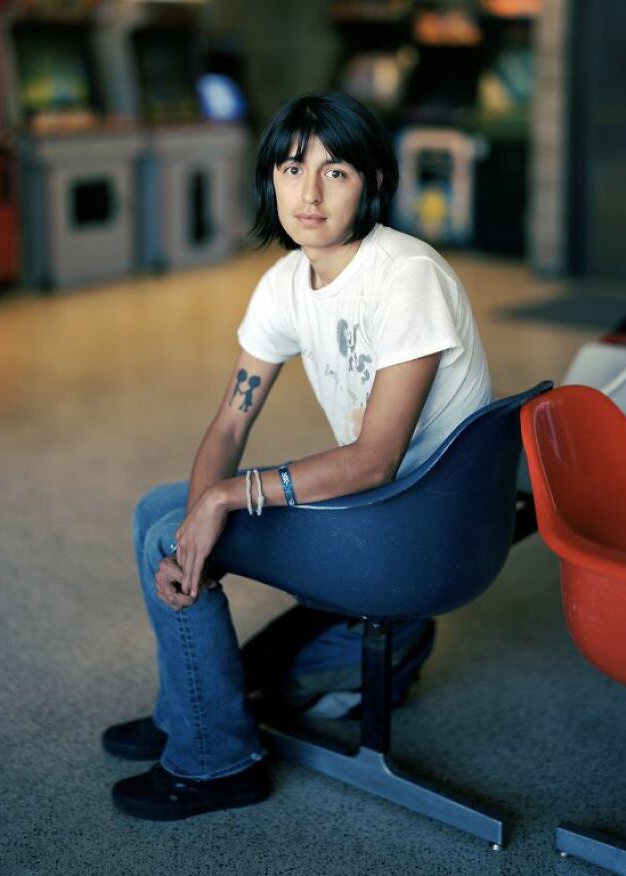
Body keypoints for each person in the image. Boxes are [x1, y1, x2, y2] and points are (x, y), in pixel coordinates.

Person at [105, 91, 492, 821]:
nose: (308, 192)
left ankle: (216, 760)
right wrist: (200, 511)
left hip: (421, 528)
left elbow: (376, 460)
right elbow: (228, 423)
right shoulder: (287, 283)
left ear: (373, 183)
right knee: (160, 512)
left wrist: (223, 501)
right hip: (376, 512)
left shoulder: (405, 275)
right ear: (270, 180)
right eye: (291, 168)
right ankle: (186, 713)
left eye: (335, 171)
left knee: (178, 525)